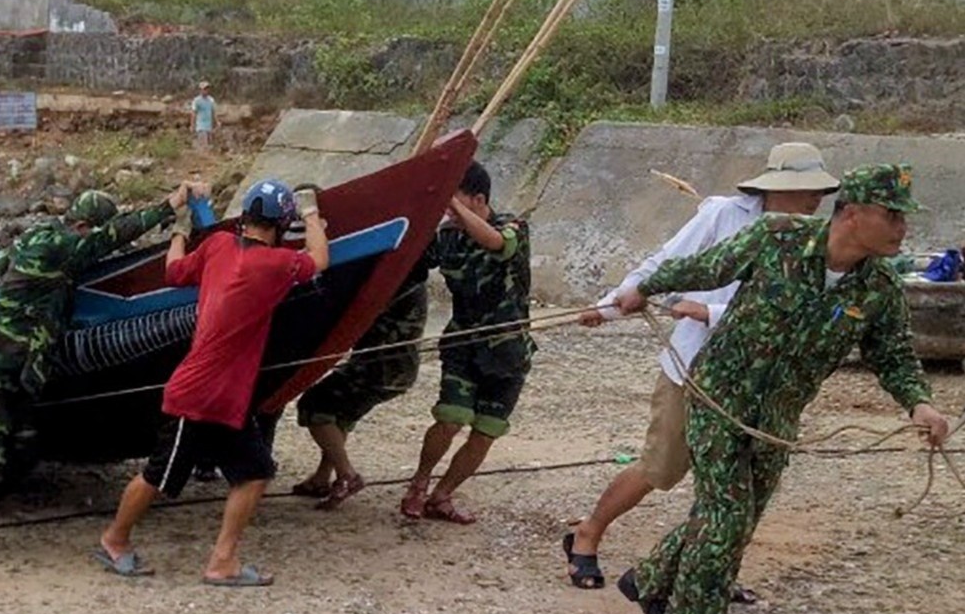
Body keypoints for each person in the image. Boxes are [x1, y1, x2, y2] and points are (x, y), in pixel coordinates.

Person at [613, 163, 952, 614]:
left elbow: (893, 354)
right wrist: (645, 286)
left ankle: (647, 579)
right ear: (853, 214)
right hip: (719, 395)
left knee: (739, 515)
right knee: (725, 512)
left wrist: (919, 402)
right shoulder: (778, 237)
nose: (903, 228)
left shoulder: (879, 286)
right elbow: (707, 269)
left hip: (777, 414)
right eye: (892, 215)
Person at [564, 142, 839, 590]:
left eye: (820, 191)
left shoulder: (817, 242)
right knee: (662, 465)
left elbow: (795, 309)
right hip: (694, 368)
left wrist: (709, 311)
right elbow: (667, 263)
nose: (815, 199)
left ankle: (711, 570)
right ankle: (587, 532)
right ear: (776, 189)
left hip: (758, 379)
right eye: (807, 189)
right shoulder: (723, 217)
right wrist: (610, 306)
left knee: (736, 483)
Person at [0, 185, 189, 564]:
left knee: (24, 450)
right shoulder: (57, 246)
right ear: (81, 225)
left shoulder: (34, 240)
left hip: (15, 371)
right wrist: (170, 206)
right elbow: (110, 239)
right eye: (91, 233)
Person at [97, 179, 329, 584]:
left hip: (222, 396)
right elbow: (319, 259)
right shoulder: (275, 265)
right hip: (201, 395)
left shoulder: (220, 245)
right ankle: (114, 539)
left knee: (255, 472)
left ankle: (223, 561)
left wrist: (180, 230)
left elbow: (174, 271)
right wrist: (313, 214)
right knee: (158, 477)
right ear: (280, 223)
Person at [400, 161, 534, 524]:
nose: (449, 211)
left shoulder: (513, 226)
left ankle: (442, 496)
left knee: (487, 429)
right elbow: (407, 261)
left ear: (478, 199)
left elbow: (497, 245)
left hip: (507, 350)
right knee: (451, 416)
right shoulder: (447, 237)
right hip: (463, 344)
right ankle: (419, 483)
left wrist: (453, 208)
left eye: (455, 202)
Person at [290, 263, 429, 509]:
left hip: (380, 370)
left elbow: (350, 310)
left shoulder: (397, 285)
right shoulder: (409, 281)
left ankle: (347, 475)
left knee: (314, 406)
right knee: (339, 414)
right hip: (388, 368)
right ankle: (322, 478)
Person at [190, 81, 216, 150]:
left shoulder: (211, 100)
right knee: (204, 146)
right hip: (201, 126)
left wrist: (216, 123)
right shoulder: (196, 100)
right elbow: (193, 113)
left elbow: (213, 112)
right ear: (200, 90)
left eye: (207, 89)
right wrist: (192, 125)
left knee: (209, 146)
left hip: (209, 127)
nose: (205, 91)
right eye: (204, 89)